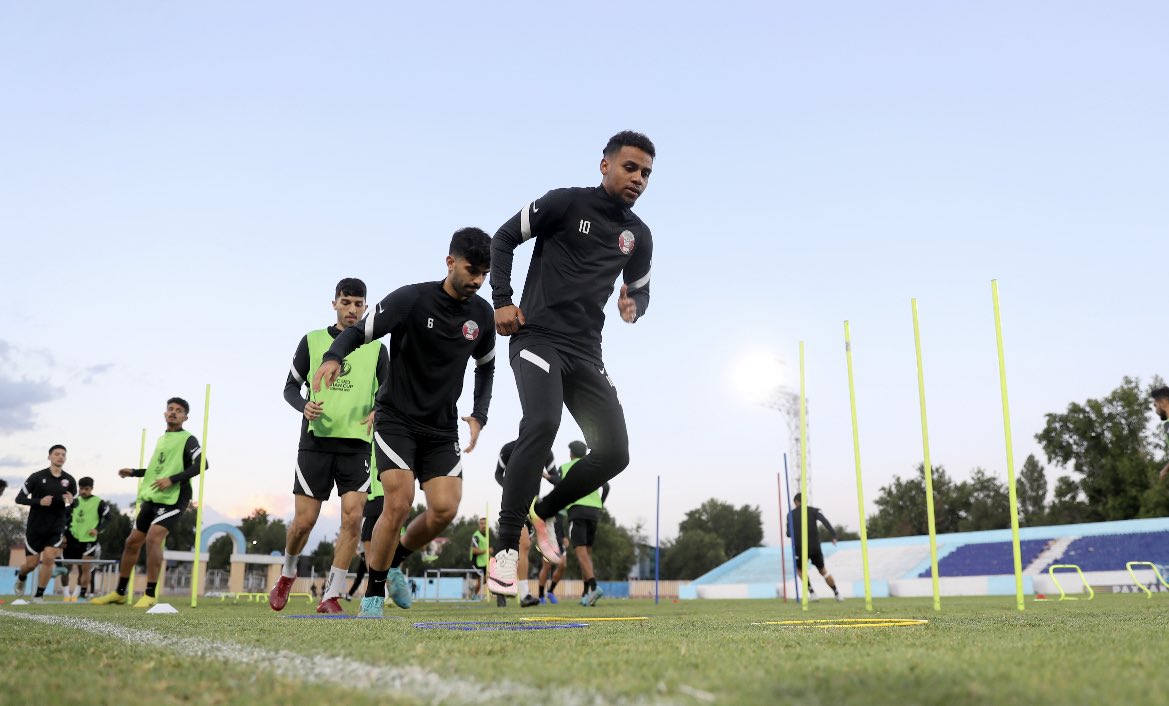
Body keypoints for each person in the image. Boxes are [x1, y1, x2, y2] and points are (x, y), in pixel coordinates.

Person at [487, 131, 656, 597]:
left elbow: (642, 290)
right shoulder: (564, 203)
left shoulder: (638, 237)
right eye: (630, 167)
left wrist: (634, 306)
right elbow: (503, 239)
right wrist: (501, 300)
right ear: (605, 165)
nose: (638, 178)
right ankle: (505, 550)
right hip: (536, 337)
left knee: (615, 452)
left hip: (585, 352)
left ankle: (543, 512)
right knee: (542, 423)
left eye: (646, 173)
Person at [311, 228, 496, 618]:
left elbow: (486, 366)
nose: (478, 280)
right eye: (472, 270)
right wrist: (332, 356)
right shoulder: (411, 299)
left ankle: (394, 561)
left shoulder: (482, 315)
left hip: (441, 428)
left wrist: (479, 414)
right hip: (396, 419)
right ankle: (374, 595)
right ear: (450, 262)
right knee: (398, 502)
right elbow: (359, 332)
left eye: (485, 273)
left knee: (444, 509)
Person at [269, 278, 389, 615]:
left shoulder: (377, 349)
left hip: (357, 446)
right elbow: (290, 387)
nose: (352, 309)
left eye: (358, 304)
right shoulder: (312, 341)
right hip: (316, 443)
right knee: (303, 522)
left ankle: (331, 595)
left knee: (352, 519)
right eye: (346, 302)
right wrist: (303, 405)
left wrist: (379, 410)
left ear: (366, 307)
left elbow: (389, 392)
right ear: (334, 303)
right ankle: (288, 573)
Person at [93, 398, 207, 608]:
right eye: (170, 409)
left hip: (175, 499)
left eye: (179, 410)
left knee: (153, 538)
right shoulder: (162, 440)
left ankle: (150, 594)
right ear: (165, 413)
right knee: (132, 542)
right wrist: (134, 472)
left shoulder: (188, 439)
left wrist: (172, 480)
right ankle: (119, 593)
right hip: (154, 497)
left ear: (185, 417)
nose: (173, 412)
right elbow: (157, 471)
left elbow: (203, 464)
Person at [495, 439, 561, 607]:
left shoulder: (546, 450)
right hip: (513, 501)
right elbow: (498, 474)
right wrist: (510, 487)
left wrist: (546, 476)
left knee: (521, 548)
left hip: (532, 505)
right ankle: (523, 594)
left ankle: (505, 586)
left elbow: (557, 479)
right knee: (523, 544)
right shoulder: (508, 449)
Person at [13, 445, 78, 602]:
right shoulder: (36, 477)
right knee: (31, 565)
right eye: (57, 454)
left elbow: (74, 504)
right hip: (35, 527)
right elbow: (19, 499)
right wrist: (39, 501)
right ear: (49, 457)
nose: (60, 457)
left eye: (63, 454)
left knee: (49, 558)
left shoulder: (69, 480)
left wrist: (71, 501)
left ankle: (39, 595)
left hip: (56, 526)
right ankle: (21, 576)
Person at [563, 440, 610, 606]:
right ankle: (586, 594)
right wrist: (599, 504)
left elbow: (559, 486)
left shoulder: (566, 467)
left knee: (580, 552)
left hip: (577, 511)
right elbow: (606, 487)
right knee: (587, 555)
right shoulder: (594, 467)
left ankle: (594, 587)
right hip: (594, 512)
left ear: (571, 454)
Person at [787, 493, 843, 601]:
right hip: (815, 546)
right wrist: (834, 535)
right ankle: (837, 594)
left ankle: (812, 593)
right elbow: (824, 521)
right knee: (823, 570)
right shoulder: (814, 510)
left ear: (796, 502)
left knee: (800, 569)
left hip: (800, 547)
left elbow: (789, 533)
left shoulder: (791, 514)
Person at [62, 476, 110, 602]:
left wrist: (98, 530)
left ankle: (81, 595)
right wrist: (63, 535)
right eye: (81, 489)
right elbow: (64, 518)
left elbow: (109, 519)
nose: (83, 491)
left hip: (89, 540)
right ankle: (66, 595)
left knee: (85, 568)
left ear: (92, 489)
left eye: (86, 489)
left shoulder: (99, 502)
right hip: (72, 539)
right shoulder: (75, 501)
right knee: (66, 568)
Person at [347, 457, 383, 601]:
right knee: (360, 573)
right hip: (376, 497)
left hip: (376, 496)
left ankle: (379, 589)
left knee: (370, 546)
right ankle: (378, 589)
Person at [469, 516, 491, 599]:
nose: (483, 525)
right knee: (480, 580)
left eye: (485, 524)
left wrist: (490, 556)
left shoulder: (487, 535)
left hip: (484, 562)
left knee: (486, 578)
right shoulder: (476, 536)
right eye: (481, 523)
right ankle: (474, 595)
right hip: (476, 562)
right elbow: (474, 550)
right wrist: (487, 550)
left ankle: (473, 589)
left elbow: (485, 550)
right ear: (479, 525)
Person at [1153, 386, 1169, 481]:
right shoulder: (1167, 424)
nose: (1155, 407)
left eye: (1155, 404)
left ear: (1163, 402)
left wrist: (1165, 470)